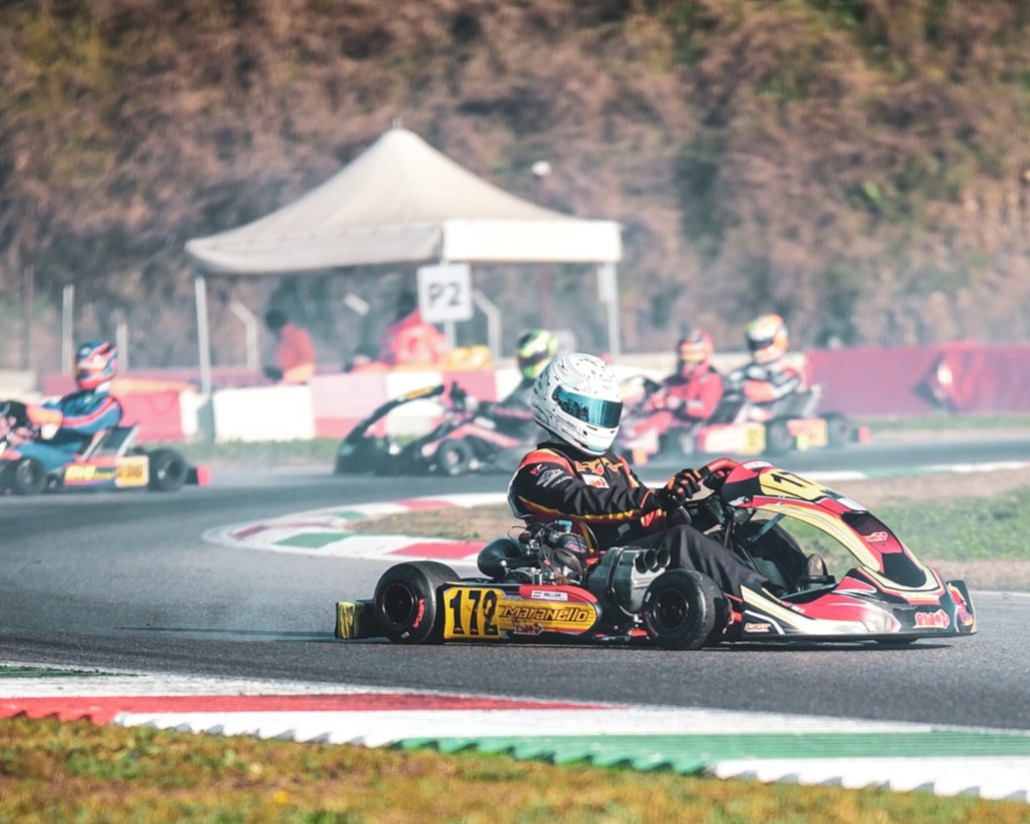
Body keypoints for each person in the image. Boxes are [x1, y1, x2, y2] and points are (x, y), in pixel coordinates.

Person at [506, 352, 825, 600]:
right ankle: (773, 599)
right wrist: (655, 498)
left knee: (752, 529)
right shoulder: (539, 467)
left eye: (605, 412)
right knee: (682, 540)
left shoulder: (613, 464)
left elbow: (652, 519)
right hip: (595, 568)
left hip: (642, 557)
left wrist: (699, 507)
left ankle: (813, 592)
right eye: (590, 411)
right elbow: (585, 501)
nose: (598, 420)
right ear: (558, 405)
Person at [1, 340, 123, 472]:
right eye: (80, 370)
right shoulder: (74, 399)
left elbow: (87, 423)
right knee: (11, 444)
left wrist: (52, 418)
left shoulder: (109, 405)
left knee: (18, 452)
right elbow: (53, 407)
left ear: (107, 367)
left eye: (88, 369)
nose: (83, 373)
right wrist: (25, 410)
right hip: (52, 448)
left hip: (73, 457)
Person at [481, 329, 558, 439]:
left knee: (468, 432)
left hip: (527, 440)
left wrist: (491, 410)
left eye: (531, 360)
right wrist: (482, 406)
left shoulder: (550, 385)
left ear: (547, 356)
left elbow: (526, 412)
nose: (527, 364)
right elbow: (507, 405)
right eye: (524, 360)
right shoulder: (526, 383)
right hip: (511, 434)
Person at [728, 313, 803, 422]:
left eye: (762, 344)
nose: (758, 349)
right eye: (754, 344)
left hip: (776, 424)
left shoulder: (790, 373)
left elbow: (766, 392)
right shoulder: (742, 372)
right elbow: (726, 387)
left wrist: (737, 387)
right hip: (742, 424)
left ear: (778, 341)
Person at [650, 329, 725, 425]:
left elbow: (706, 408)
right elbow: (659, 392)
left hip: (691, 426)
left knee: (662, 418)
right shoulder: (673, 380)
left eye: (692, 356)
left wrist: (680, 404)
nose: (687, 362)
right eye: (684, 354)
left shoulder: (711, 380)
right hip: (668, 424)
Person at [378, 292, 448, 367]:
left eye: (407, 304)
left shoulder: (425, 329)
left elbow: (440, 352)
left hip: (422, 370)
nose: (404, 307)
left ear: (413, 306)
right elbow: (384, 355)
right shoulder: (392, 329)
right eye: (401, 304)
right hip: (397, 371)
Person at [264, 309, 315, 384]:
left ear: (274, 326)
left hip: (299, 379)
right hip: (289, 379)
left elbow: (307, 364)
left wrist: (285, 375)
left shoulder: (297, 336)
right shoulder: (281, 339)